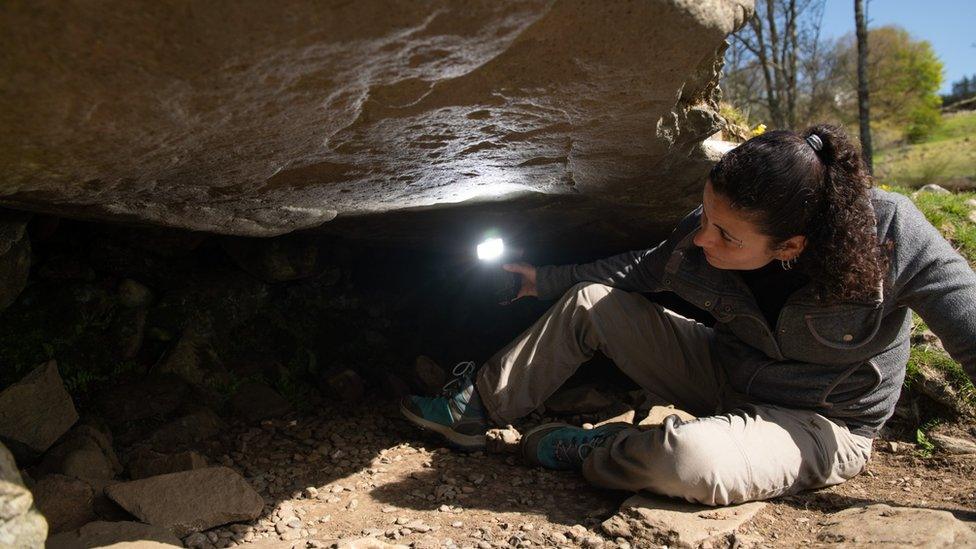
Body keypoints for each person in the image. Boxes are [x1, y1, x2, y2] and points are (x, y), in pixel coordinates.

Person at [400, 124, 976, 506]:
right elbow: (635, 271)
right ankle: (476, 405)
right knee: (591, 304)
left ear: (790, 246)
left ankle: (598, 448)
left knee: (690, 459)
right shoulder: (701, 238)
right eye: (704, 214)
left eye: (724, 233)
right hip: (723, 373)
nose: (701, 238)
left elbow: (968, 324)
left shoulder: (892, 235)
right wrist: (540, 280)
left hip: (821, 423)